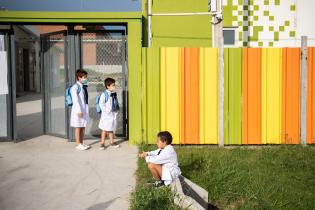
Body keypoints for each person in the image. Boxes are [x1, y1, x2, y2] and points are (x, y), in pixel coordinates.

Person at [70, 69, 90, 151]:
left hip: (84, 109)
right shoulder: (75, 87)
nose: (86, 79)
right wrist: (78, 111)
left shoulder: (82, 87)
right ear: (79, 77)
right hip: (78, 110)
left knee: (83, 126)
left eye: (86, 77)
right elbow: (75, 100)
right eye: (84, 77)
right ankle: (78, 144)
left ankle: (81, 143)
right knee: (78, 127)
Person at [98, 77, 120, 149]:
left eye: (114, 85)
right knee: (104, 129)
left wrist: (116, 110)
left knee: (111, 129)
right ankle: (102, 143)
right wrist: (107, 111)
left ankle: (111, 142)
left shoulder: (113, 93)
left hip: (112, 115)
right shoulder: (104, 94)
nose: (114, 87)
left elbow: (115, 103)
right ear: (108, 86)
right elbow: (101, 104)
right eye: (113, 85)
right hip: (106, 115)